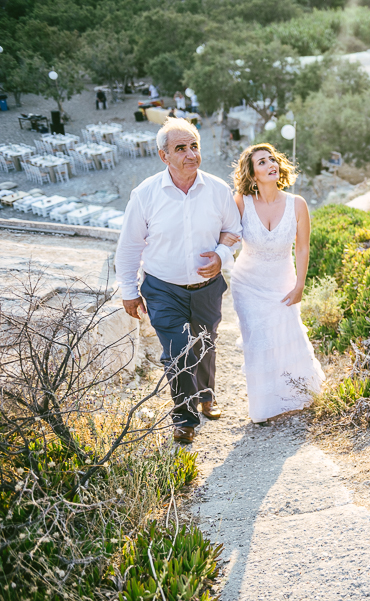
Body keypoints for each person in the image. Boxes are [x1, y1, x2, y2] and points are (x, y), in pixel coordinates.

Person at [115, 118, 242, 444]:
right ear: (164, 156)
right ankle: (185, 416)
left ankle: (207, 395)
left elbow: (234, 232)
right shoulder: (145, 195)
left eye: (194, 146)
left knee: (205, 343)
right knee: (177, 352)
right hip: (162, 289)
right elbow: (130, 245)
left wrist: (220, 256)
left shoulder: (217, 189)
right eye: (181, 148)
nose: (190, 154)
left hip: (207, 288)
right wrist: (129, 290)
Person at [222, 143, 324, 424]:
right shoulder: (241, 201)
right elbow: (225, 234)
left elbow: (302, 248)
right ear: (252, 174)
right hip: (247, 284)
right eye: (262, 162)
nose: (271, 165)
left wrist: (300, 284)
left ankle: (297, 396)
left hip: (282, 282)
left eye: (272, 159)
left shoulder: (297, 204)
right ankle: (265, 407)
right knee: (259, 342)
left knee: (287, 336)